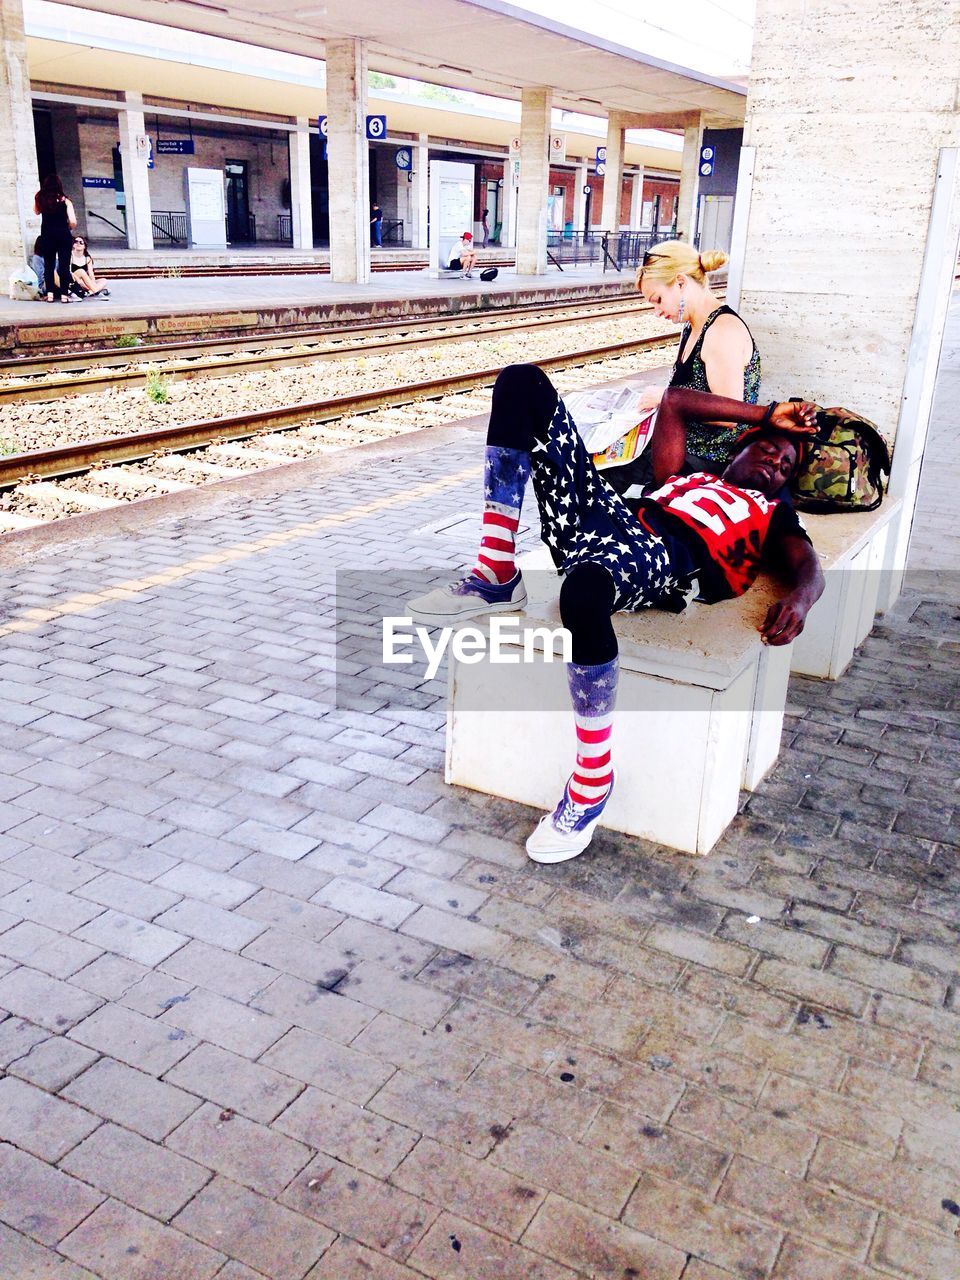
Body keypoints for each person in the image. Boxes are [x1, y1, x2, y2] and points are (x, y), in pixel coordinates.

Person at [408, 365, 823, 863]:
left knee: (581, 596)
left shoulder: (770, 513)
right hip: (609, 518)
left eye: (785, 468)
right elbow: (673, 403)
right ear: (740, 448)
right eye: (769, 449)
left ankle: (591, 780)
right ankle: (497, 570)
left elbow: (809, 567)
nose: (775, 464)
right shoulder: (683, 477)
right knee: (522, 382)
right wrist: (767, 414)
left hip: (665, 556)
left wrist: (799, 600)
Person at [634, 240, 761, 477]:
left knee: (600, 475)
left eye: (658, 300)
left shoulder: (722, 331)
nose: (657, 312)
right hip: (682, 446)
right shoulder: (694, 326)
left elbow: (729, 416)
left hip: (708, 458)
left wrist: (665, 400)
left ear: (681, 283)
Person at [34, 174, 77, 304]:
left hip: (47, 235)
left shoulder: (40, 197)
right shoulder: (65, 200)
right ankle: (64, 296)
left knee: (49, 265)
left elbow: (36, 212)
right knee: (64, 266)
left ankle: (50, 295)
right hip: (63, 235)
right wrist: (67, 226)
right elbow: (73, 222)